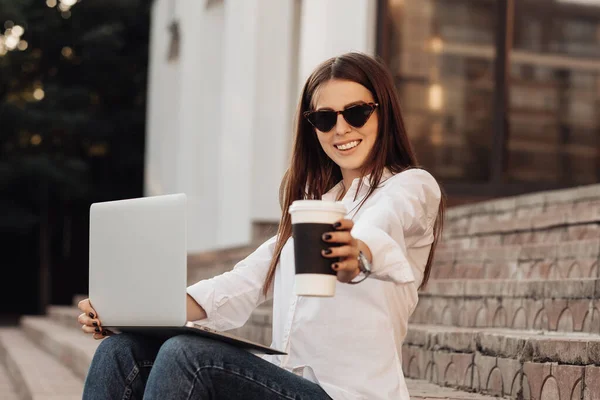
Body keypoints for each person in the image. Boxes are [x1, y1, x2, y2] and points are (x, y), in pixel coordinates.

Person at [77, 52, 444, 400]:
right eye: (325, 118)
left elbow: (380, 230)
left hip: (347, 395)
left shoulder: (411, 186)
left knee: (187, 354)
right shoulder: (314, 210)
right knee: (119, 350)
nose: (341, 129)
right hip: (287, 386)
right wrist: (125, 311)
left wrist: (356, 256)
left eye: (357, 113)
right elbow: (237, 286)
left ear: (384, 113)